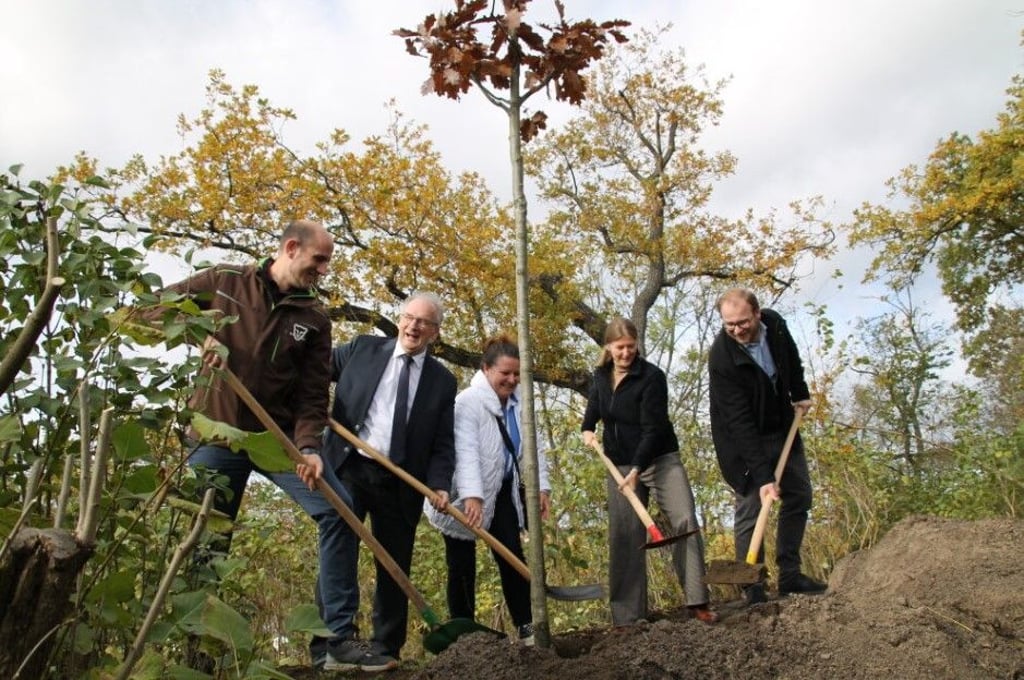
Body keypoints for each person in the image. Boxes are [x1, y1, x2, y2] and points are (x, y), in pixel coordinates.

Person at [149, 220, 357, 652]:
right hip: (214, 435)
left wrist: (308, 448)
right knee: (208, 537)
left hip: (275, 440)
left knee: (339, 513)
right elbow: (151, 309)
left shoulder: (314, 318)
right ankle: (196, 654)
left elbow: (312, 396)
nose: (323, 270)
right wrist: (196, 332)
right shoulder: (224, 281)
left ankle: (334, 645)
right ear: (291, 247)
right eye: (319, 260)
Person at [317, 292, 456, 673]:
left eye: (423, 322)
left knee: (394, 563)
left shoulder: (443, 381)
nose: (413, 326)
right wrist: (309, 416)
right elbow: (313, 371)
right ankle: (327, 644)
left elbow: (443, 441)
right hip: (348, 466)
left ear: (435, 332)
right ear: (399, 319)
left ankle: (385, 648)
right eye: (409, 317)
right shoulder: (361, 349)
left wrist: (440, 483)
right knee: (338, 552)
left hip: (401, 480)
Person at [581, 317, 717, 626]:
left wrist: (638, 468)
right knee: (625, 534)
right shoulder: (600, 376)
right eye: (620, 347)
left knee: (684, 519)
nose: (626, 353)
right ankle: (627, 617)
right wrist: (587, 429)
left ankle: (698, 601)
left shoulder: (652, 377)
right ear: (608, 347)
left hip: (659, 458)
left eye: (631, 346)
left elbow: (653, 429)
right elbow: (594, 410)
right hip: (619, 463)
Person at [424, 334, 551, 645]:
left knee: (510, 554)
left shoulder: (522, 402)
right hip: (461, 493)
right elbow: (464, 451)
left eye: (516, 373)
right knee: (461, 562)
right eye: (505, 373)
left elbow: (534, 449)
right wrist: (473, 496)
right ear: (486, 369)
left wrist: (542, 488)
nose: (511, 379)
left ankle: (526, 625)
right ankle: (465, 634)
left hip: (502, 490)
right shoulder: (468, 402)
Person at [708, 288, 825, 604]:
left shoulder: (775, 325)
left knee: (799, 495)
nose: (737, 330)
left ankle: (790, 576)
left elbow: (791, 359)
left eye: (742, 322)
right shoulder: (721, 357)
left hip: (782, 427)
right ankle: (752, 587)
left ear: (757, 314)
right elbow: (738, 421)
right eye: (729, 324)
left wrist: (800, 392)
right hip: (742, 441)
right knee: (751, 508)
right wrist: (763, 477)